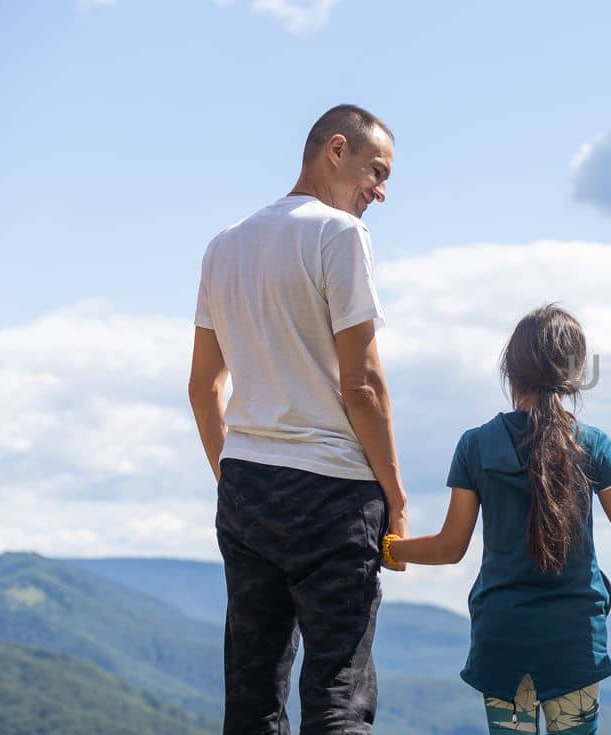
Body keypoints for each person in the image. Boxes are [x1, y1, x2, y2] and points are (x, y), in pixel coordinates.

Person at [388, 304, 611, 735]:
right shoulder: (594, 445)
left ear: (510, 369)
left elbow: (449, 547)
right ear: (575, 372)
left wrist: (388, 547)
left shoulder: (475, 446)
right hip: (573, 637)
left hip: (503, 631)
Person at [187, 103, 406, 734]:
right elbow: (361, 383)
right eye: (377, 170)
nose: (381, 192)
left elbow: (204, 385)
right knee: (338, 690)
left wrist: (231, 475)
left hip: (248, 486)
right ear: (336, 150)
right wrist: (395, 495)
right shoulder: (339, 236)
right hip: (334, 491)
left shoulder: (223, 246)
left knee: (251, 694)